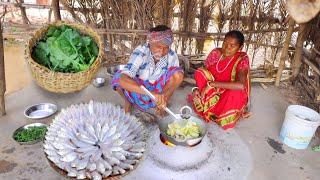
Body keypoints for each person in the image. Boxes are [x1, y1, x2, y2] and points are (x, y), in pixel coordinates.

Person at [111, 25, 184, 116]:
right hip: (139, 89)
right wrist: (150, 93)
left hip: (158, 92)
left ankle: (161, 105)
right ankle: (128, 101)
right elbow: (123, 80)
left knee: (178, 74)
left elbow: (173, 82)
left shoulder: (172, 56)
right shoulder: (141, 51)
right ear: (150, 42)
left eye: (166, 47)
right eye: (158, 46)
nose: (162, 51)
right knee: (119, 78)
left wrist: (163, 98)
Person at [188, 30, 250, 130]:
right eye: (225, 43)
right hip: (210, 91)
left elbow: (241, 85)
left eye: (232, 45)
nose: (227, 48)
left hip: (227, 93)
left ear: (240, 47)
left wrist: (212, 84)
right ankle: (207, 104)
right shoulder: (216, 53)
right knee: (200, 72)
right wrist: (196, 89)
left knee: (236, 93)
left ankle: (218, 112)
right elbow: (203, 75)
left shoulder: (241, 59)